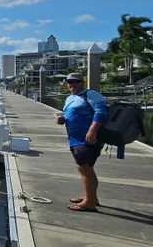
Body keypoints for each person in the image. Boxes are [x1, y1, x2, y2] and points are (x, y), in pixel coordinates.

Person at [55, 73, 107, 212]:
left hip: (87, 138)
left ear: (82, 82)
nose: (72, 85)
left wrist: (92, 130)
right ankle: (91, 197)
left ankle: (89, 203)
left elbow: (101, 111)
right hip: (74, 138)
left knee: (83, 168)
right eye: (69, 82)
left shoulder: (90, 94)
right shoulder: (70, 98)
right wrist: (62, 120)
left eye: (75, 82)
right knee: (87, 168)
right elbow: (69, 115)